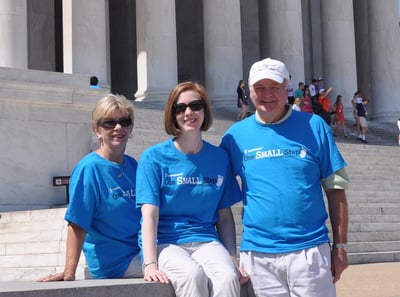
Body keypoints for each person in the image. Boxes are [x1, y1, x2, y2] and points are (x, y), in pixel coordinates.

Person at [220, 58, 349, 297]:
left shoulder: (315, 126)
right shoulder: (234, 137)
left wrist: (340, 246)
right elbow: (218, 199)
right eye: (260, 88)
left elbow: (336, 189)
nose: (267, 95)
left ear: (287, 88)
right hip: (258, 255)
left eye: (275, 87)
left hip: (309, 251)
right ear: (249, 92)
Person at [136, 81, 247, 297]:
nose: (189, 112)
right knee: (192, 276)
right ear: (172, 114)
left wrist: (233, 260)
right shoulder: (153, 158)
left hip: (207, 240)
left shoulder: (219, 158)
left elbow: (224, 217)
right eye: (181, 108)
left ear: (205, 110)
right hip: (167, 242)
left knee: (227, 277)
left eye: (196, 106)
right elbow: (149, 216)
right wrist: (149, 263)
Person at [38, 94, 142, 281]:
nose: (118, 128)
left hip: (141, 253)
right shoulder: (89, 169)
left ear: (131, 127)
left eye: (124, 122)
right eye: (109, 123)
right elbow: (77, 224)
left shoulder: (134, 166)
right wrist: (69, 272)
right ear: (97, 130)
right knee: (180, 270)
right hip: (116, 263)